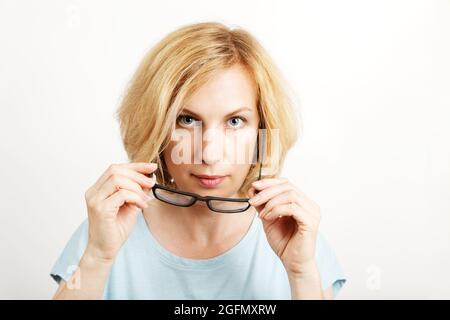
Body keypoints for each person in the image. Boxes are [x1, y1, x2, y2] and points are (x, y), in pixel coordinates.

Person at [50, 22, 346, 299]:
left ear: (262, 130)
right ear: (157, 127)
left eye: (235, 121)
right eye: (187, 119)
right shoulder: (107, 230)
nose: (210, 154)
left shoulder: (300, 239)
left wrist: (302, 273)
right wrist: (97, 256)